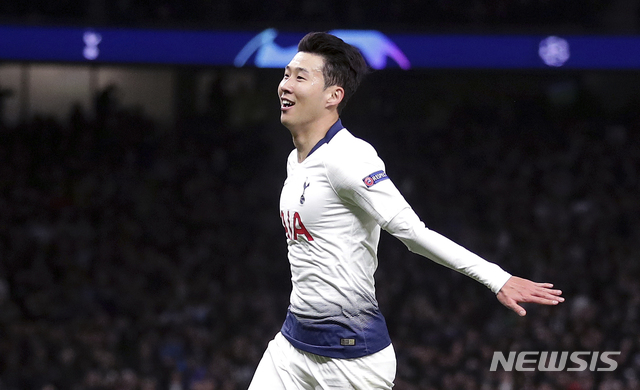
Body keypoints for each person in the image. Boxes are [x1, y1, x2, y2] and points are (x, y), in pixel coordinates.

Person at [248, 32, 564, 389]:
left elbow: (414, 233)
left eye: (300, 77)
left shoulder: (348, 159)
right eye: (286, 74)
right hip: (292, 346)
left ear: (333, 96)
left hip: (349, 359)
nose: (285, 85)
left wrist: (497, 278)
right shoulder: (296, 161)